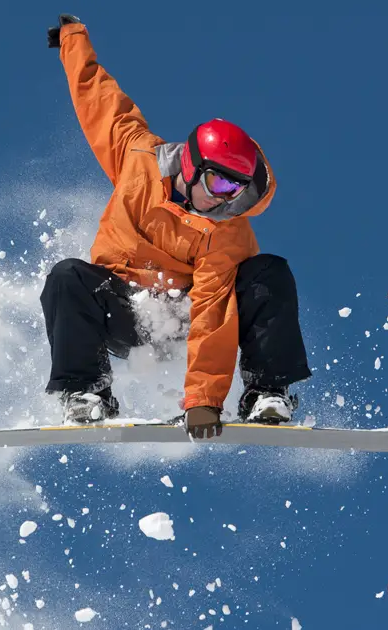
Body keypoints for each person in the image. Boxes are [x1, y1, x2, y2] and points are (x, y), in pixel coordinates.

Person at [41, 14, 313, 439]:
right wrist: (73, 40)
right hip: (123, 311)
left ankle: (266, 392)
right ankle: (86, 393)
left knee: (268, 273)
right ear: (190, 165)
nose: (225, 198)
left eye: (236, 189)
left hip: (184, 319)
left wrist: (203, 401)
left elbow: (213, 313)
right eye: (219, 182)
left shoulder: (227, 230)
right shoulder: (137, 159)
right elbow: (96, 97)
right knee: (67, 277)